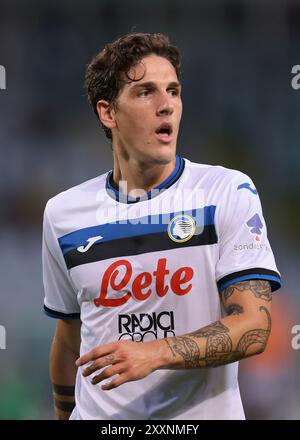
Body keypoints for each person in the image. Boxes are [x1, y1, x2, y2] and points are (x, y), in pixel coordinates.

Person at [42, 32, 281, 420]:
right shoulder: (63, 214)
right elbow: (69, 342)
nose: (166, 105)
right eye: (145, 92)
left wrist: (154, 353)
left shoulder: (225, 190)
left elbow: (255, 326)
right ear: (108, 113)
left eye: (173, 90)